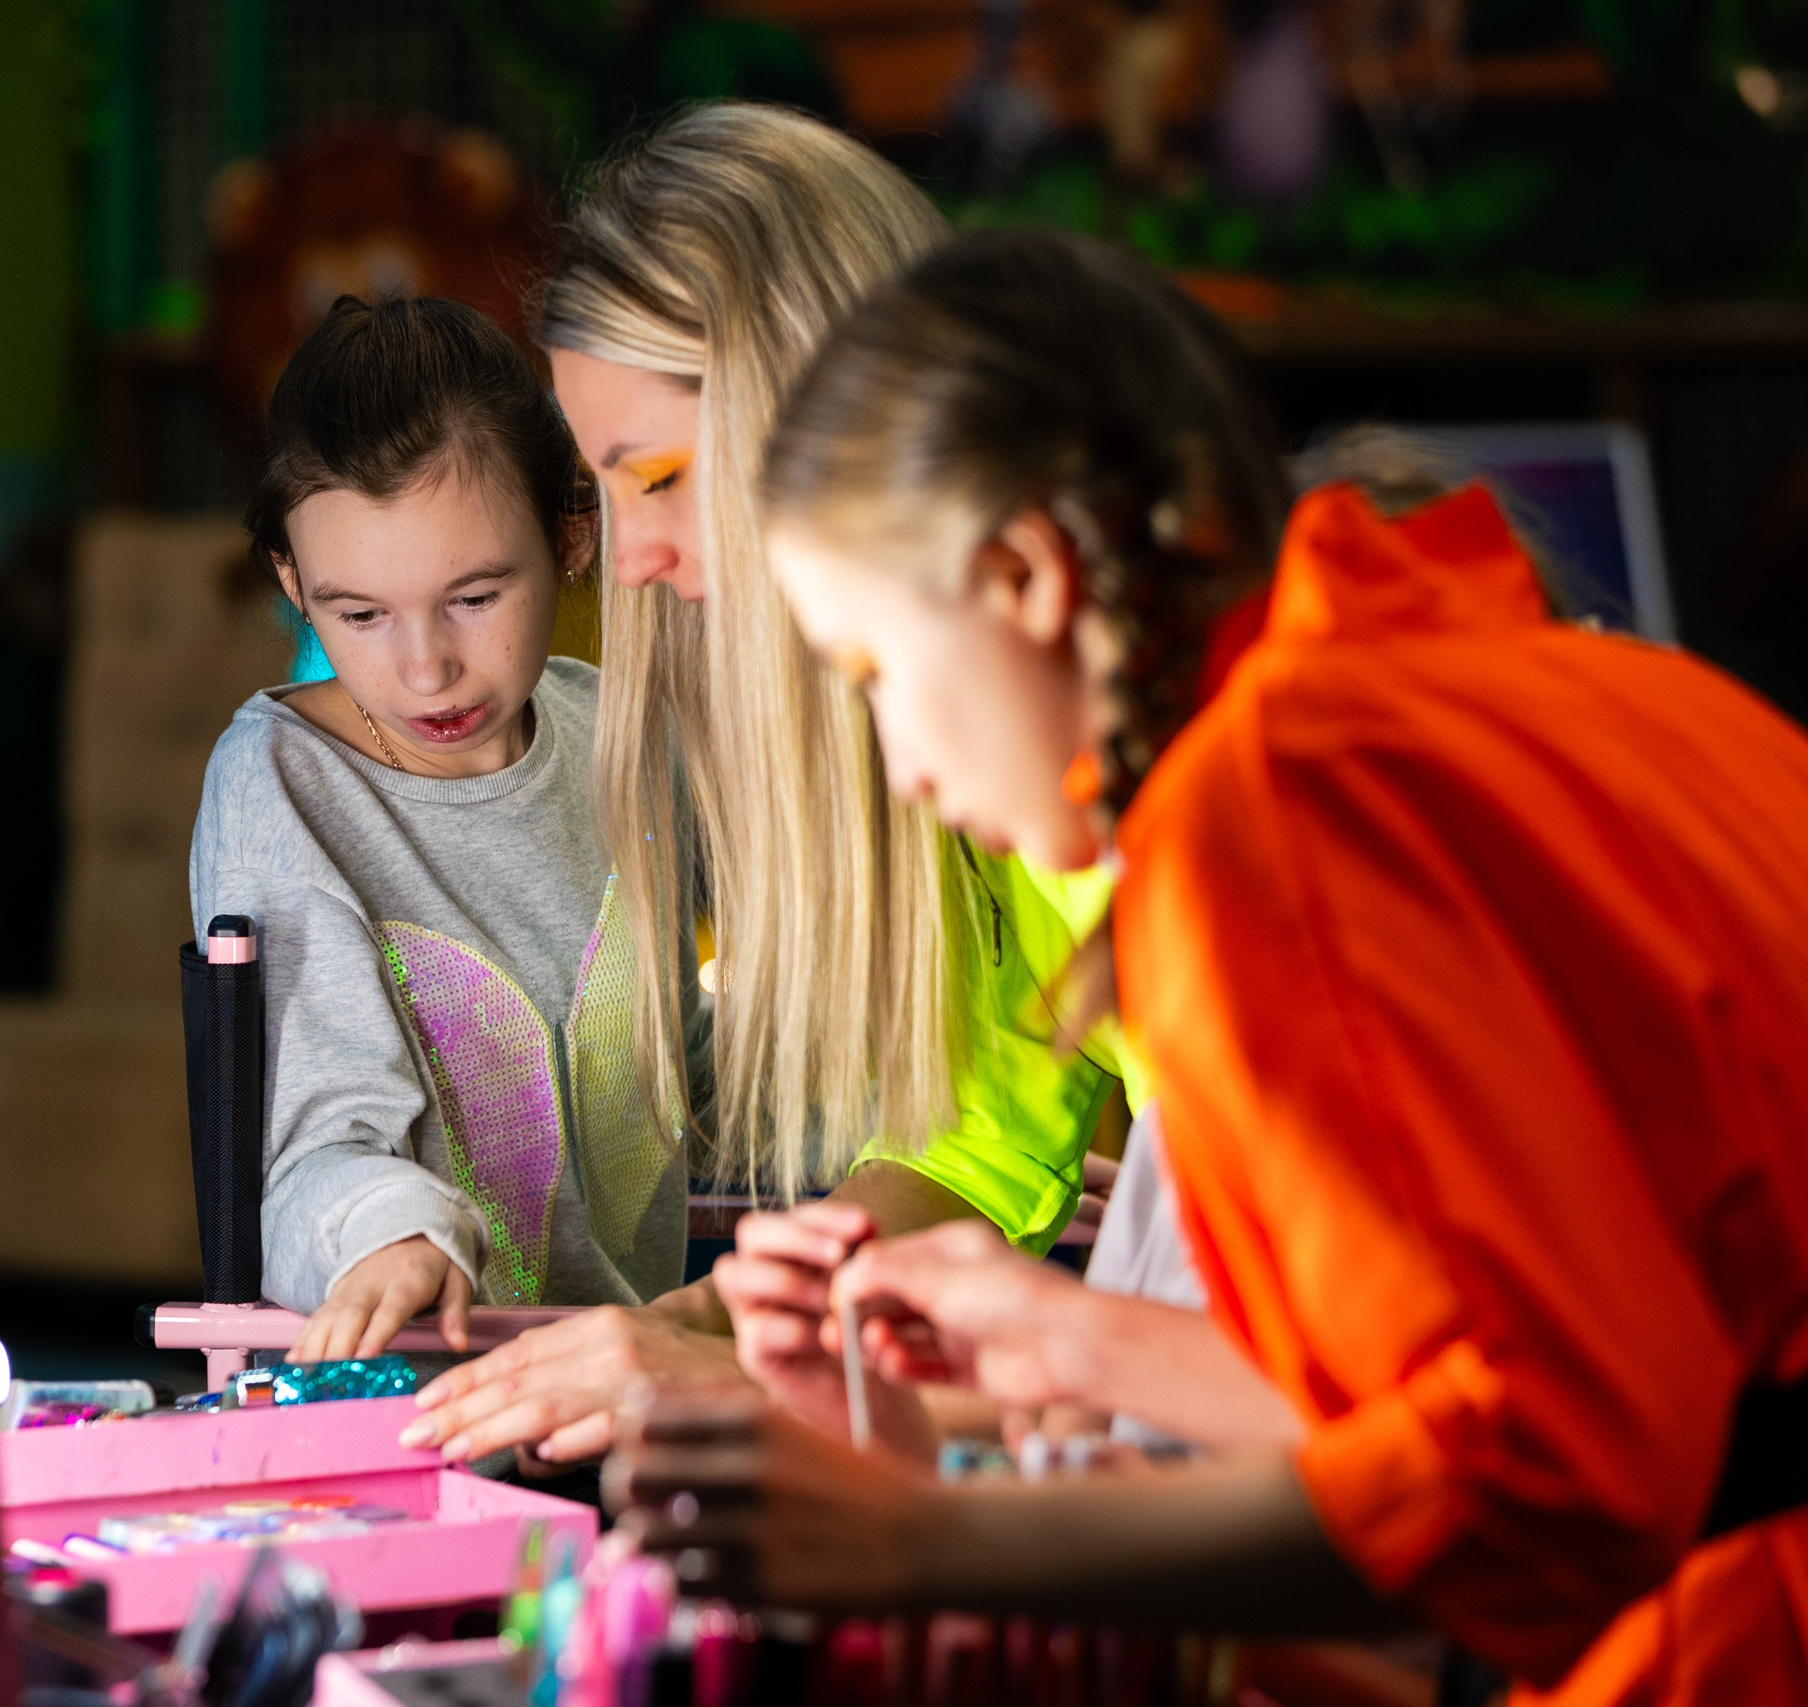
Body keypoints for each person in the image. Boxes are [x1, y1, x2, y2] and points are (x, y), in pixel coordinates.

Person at [608, 227, 1808, 1705]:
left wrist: (931, 1541)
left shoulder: (1275, 805)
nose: (905, 767)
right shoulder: (1523, 683)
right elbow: (1540, 1358)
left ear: (1030, 576)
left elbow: (1552, 1471)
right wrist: (1064, 1336)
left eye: (877, 675)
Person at [400, 102, 1151, 1471]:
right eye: (604, 494)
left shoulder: (1160, 775)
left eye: (666, 479)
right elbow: (983, 1141)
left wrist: (740, 1380)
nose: (629, 563)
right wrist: (715, 1317)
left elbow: (1348, 1395)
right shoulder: (1002, 739)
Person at [190, 295, 701, 1363]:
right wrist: (392, 1232)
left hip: (635, 1379)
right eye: (358, 615)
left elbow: (701, 1064)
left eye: (472, 597)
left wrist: (920, 1145)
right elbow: (308, 1151)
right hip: (418, 1406)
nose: (424, 669)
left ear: (570, 538)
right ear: (293, 583)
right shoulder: (280, 784)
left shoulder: (620, 729)